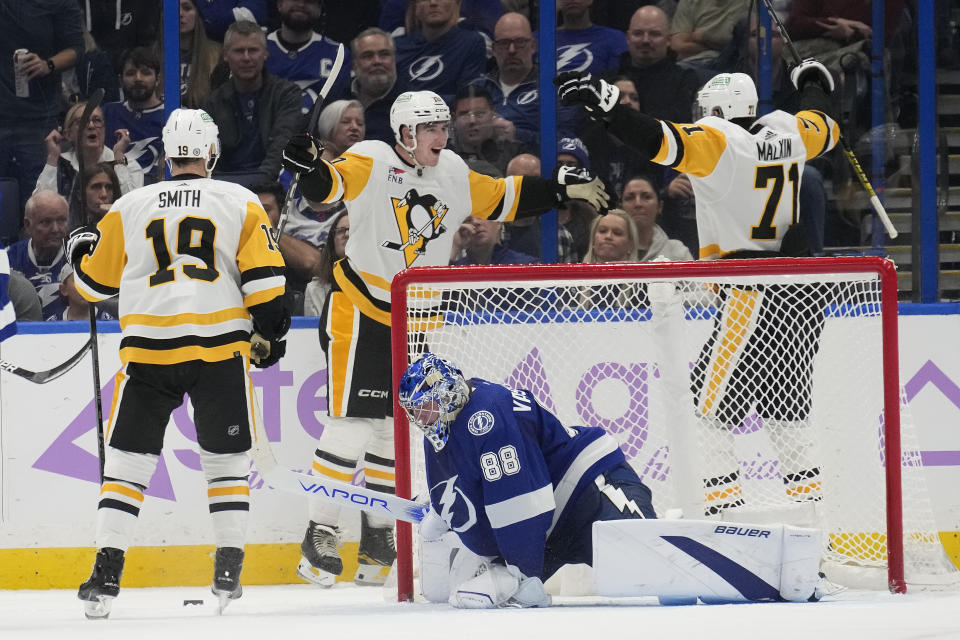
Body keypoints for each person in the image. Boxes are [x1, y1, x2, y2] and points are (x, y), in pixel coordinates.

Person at [279, 89, 611, 588]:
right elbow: (326, 189)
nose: (442, 135)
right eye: (431, 127)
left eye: (443, 126)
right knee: (351, 422)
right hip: (360, 308)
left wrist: (560, 190)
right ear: (406, 133)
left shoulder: (453, 170)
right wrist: (309, 166)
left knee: (394, 428)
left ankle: (377, 536)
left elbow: (506, 198)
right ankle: (320, 531)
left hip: (414, 318)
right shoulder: (370, 158)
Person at [556, 61, 840, 512]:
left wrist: (609, 109)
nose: (699, 119)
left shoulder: (720, 142)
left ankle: (725, 518)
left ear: (720, 111)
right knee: (788, 415)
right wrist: (811, 80)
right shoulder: (789, 131)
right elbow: (824, 121)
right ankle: (813, 524)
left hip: (749, 289)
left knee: (707, 410)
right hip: (799, 290)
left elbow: (658, 140)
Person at [66, 108, 289, 619]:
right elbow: (269, 292)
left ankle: (105, 574)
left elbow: (92, 288)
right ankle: (228, 570)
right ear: (211, 153)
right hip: (218, 352)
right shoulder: (241, 201)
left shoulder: (130, 204)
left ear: (167, 156)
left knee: (126, 466)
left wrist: (80, 251)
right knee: (227, 464)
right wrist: (270, 336)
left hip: (149, 352)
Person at [397, 352, 656, 608]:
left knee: (656, 569)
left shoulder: (487, 417)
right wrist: (445, 513)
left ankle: (676, 538)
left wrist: (520, 572)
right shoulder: (443, 429)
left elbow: (518, 501)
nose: (420, 418)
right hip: (549, 531)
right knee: (485, 590)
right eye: (414, 411)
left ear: (447, 393)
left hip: (590, 490)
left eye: (424, 406)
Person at [0, 0, 83, 225]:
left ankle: (40, 256)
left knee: (38, 199)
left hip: (36, 116)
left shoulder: (59, 3)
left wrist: (48, 65)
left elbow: (76, 48)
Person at [204, 20, 304, 186]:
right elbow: (211, 158)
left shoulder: (287, 94)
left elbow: (283, 144)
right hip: (225, 187)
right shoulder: (213, 103)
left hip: (273, 184)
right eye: (238, 51)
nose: (246, 58)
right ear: (226, 55)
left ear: (265, 53)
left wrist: (261, 183)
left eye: (253, 50)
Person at [35, 100, 144, 223]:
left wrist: (118, 157)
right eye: (82, 122)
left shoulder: (127, 164)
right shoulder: (58, 164)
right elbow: (40, 210)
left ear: (104, 129)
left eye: (97, 120)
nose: (91, 126)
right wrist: (52, 158)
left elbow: (132, 210)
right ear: (68, 134)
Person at [266, 0, 351, 115]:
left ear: (320, 8)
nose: (301, 5)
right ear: (279, 4)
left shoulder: (338, 54)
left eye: (309, 1)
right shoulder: (255, 49)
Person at [394, 0, 487, 105]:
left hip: (450, 118)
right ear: (416, 8)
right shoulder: (396, 46)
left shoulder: (471, 42)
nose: (433, 2)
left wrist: (418, 101)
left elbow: (468, 98)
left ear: (456, 4)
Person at [470, 13, 541, 147]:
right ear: (494, 49)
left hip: (532, 163)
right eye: (504, 43)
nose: (512, 50)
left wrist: (517, 135)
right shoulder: (476, 89)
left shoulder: (553, 88)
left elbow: (563, 141)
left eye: (520, 42)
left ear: (532, 46)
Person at [102, 48, 166, 182]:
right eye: (131, 73)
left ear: (157, 79)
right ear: (120, 79)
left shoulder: (173, 116)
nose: (138, 78)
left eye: (146, 73)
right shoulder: (107, 113)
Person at [6, 190, 69, 321]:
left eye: (62, 220)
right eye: (46, 222)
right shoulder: (7, 259)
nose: (56, 229)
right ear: (28, 225)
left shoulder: (82, 260)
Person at [448, 85, 525, 177]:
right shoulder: (442, 156)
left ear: (493, 114)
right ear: (453, 119)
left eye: (479, 113)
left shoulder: (514, 153)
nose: (472, 121)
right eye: (464, 114)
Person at [669, 0, 753, 83]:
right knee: (674, 73)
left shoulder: (750, 3)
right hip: (694, 62)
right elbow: (677, 45)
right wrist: (718, 45)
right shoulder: (689, 2)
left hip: (734, 63)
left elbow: (743, 41)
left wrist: (702, 38)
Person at [349, 28, 402, 146]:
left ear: (394, 60)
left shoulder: (411, 102)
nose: (377, 61)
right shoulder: (335, 94)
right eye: (368, 56)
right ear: (354, 65)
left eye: (384, 55)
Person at [620, 175, 693, 261]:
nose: (638, 204)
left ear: (660, 206)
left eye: (646, 197)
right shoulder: (607, 247)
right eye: (630, 198)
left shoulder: (678, 253)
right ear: (621, 208)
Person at [177, 0, 223, 109]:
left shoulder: (218, 53)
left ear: (199, 13)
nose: (180, 14)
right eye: (174, 9)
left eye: (187, 8)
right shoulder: (152, 54)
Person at [302, 210, 349, 316]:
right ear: (332, 241)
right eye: (341, 231)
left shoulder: (379, 283)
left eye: (353, 229)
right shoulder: (314, 289)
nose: (347, 234)